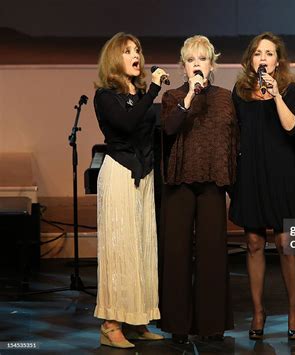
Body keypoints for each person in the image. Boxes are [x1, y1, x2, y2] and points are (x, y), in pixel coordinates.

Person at [159, 35, 238, 343]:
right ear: (183, 67)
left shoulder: (224, 97)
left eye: (202, 59)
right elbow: (170, 128)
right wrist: (189, 97)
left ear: (211, 64)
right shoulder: (173, 97)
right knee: (177, 253)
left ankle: (212, 324)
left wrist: (232, 180)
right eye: (191, 60)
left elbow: (232, 142)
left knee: (212, 252)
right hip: (180, 181)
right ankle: (178, 325)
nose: (197, 65)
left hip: (212, 183)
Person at [93, 32, 167, 348]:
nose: (136, 55)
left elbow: (152, 124)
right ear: (114, 58)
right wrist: (152, 91)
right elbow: (126, 124)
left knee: (142, 248)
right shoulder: (105, 96)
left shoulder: (139, 94)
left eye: (137, 50)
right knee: (120, 249)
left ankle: (136, 319)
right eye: (127, 51)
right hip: (120, 174)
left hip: (144, 175)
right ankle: (111, 325)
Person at [229, 32, 295, 340]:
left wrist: (275, 95)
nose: (263, 58)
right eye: (258, 53)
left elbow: (292, 127)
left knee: (286, 244)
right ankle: (258, 311)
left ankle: (293, 309)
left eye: (269, 53)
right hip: (251, 174)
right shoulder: (240, 91)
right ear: (251, 60)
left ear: (278, 60)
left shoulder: (289, 89)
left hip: (282, 174)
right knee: (254, 243)